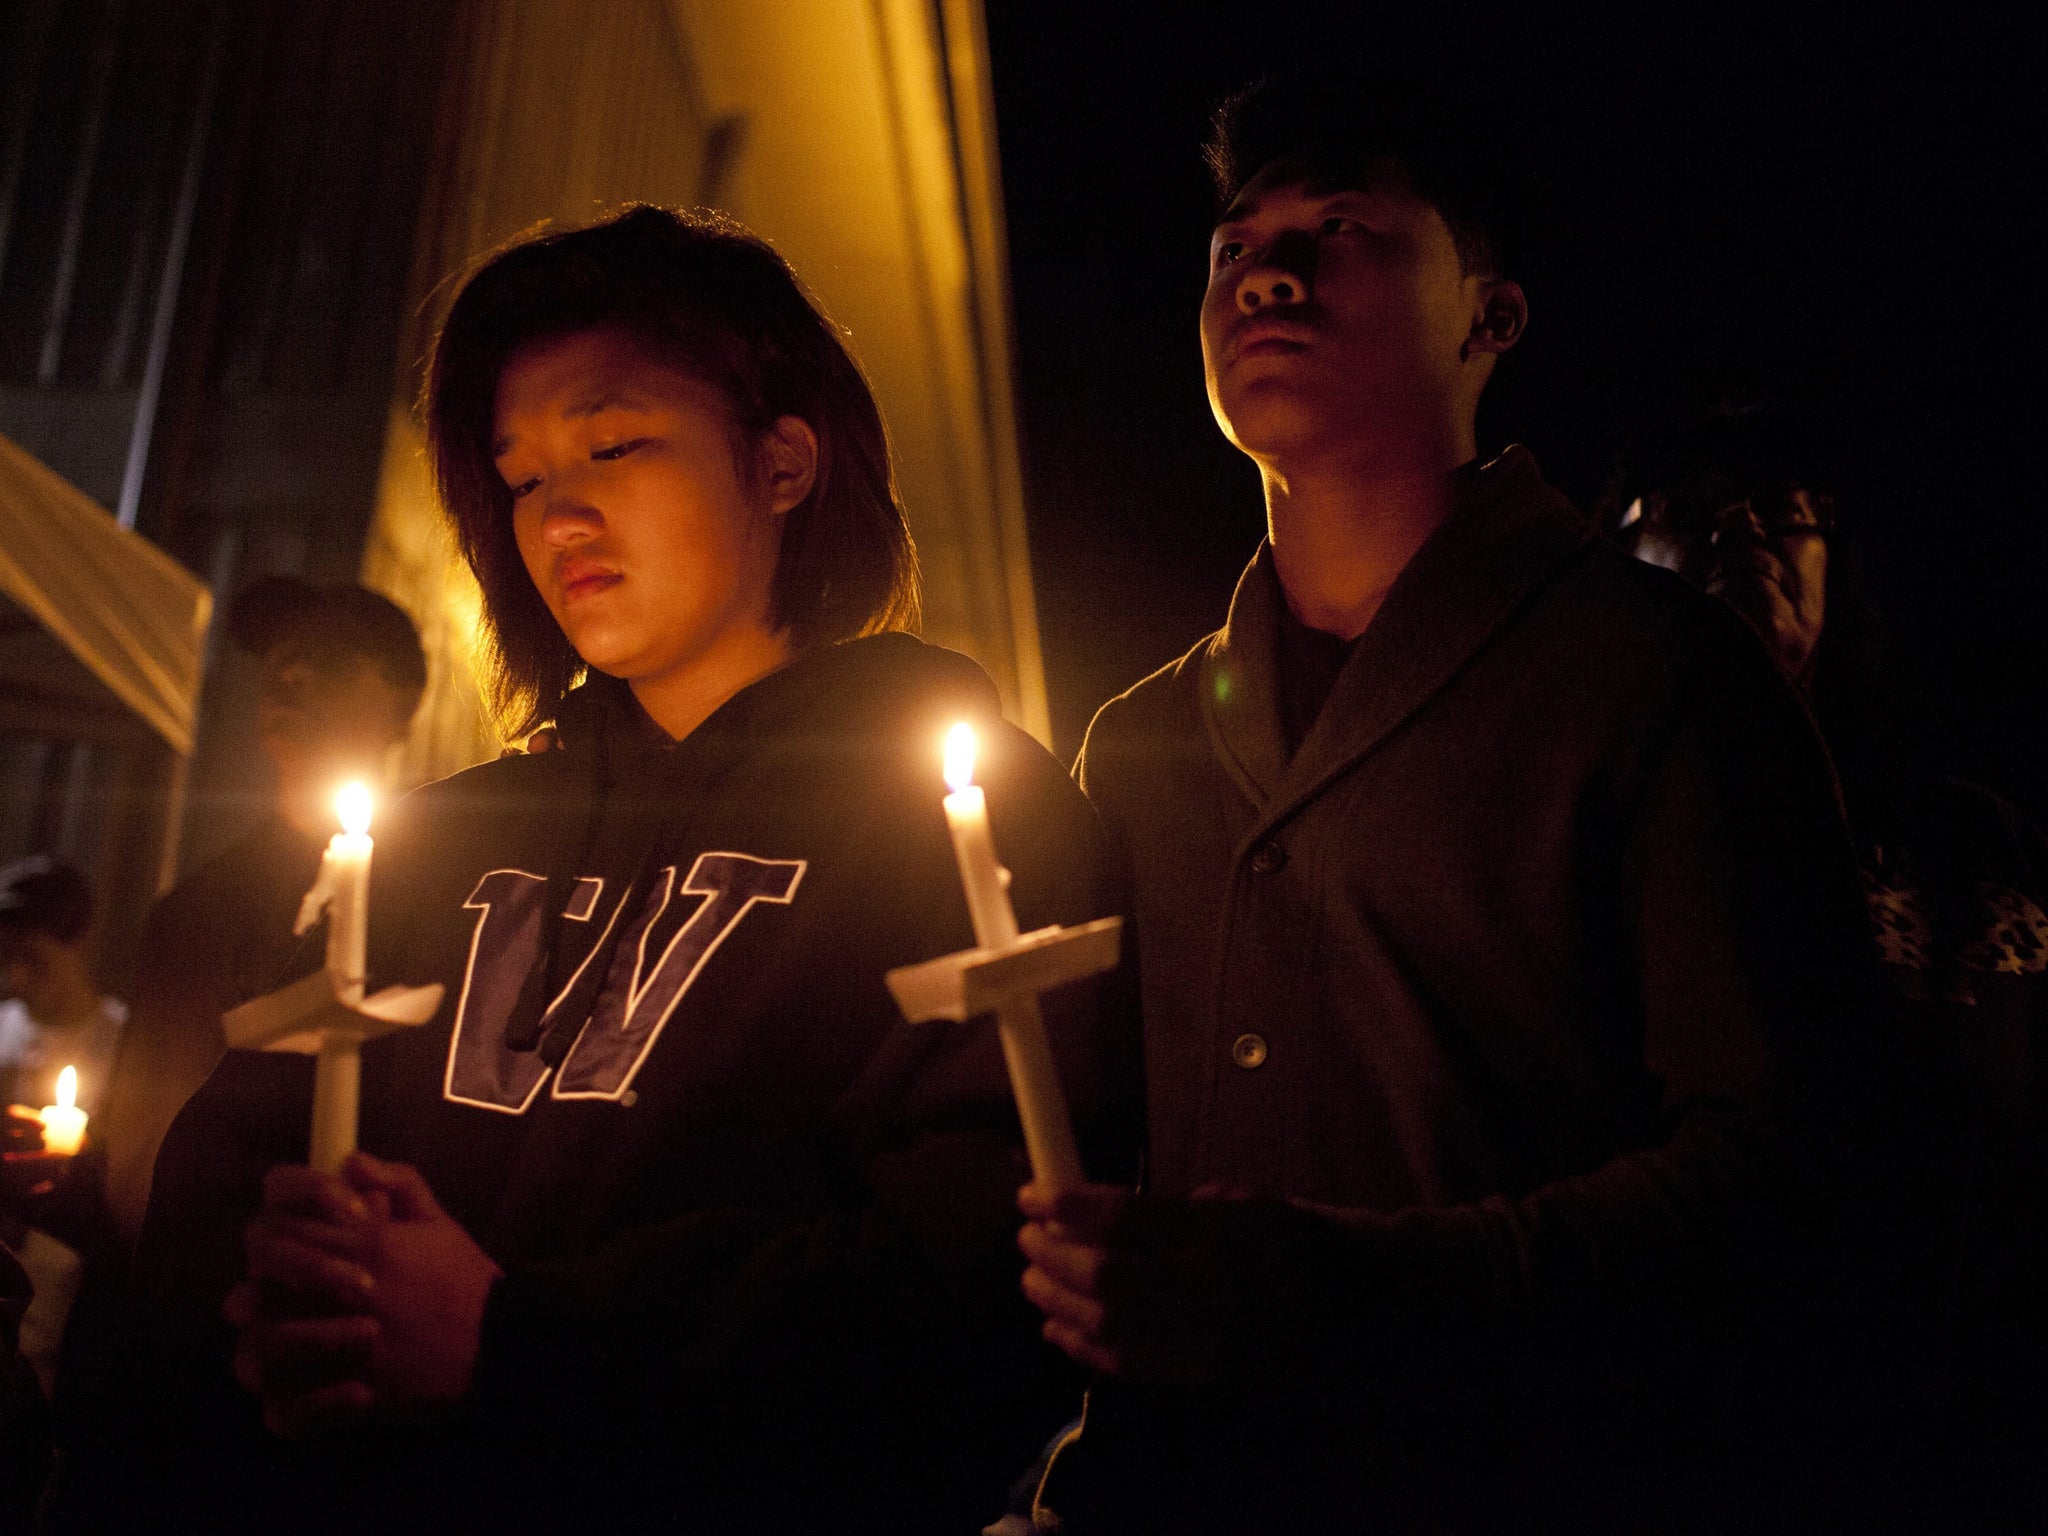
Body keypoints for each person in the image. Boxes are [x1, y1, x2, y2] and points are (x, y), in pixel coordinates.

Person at [89, 206, 1129, 1536]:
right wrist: (291, 1298)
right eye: (519, 478)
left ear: (784, 462)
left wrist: (517, 1339)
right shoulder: (438, 839)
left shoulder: (969, 824)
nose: (559, 511)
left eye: (614, 443)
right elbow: (229, 1167)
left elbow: (972, 1270)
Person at [1016, 72, 1881, 1533]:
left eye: (1345, 227)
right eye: (1235, 245)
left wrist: (1329, 1294)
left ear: (1493, 317)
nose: (1270, 270)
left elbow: (1786, 1174)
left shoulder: (1655, 675)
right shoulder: (1141, 743)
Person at [1611, 403, 2048, 1529]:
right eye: (1694, 513)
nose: (1741, 539)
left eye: (1783, 514)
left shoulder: (1963, 845)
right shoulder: (1559, 831)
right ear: (1623, 547)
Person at [96, 578, 429, 1249]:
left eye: (332, 660)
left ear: (403, 704)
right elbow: (135, 1135)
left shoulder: (439, 897)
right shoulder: (198, 908)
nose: (294, 674)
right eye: (279, 660)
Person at [0, 859, 125, 1400]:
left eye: (33, 959)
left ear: (78, 942)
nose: (16, 979)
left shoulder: (124, 1042)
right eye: (6, 959)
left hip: (70, 1305)